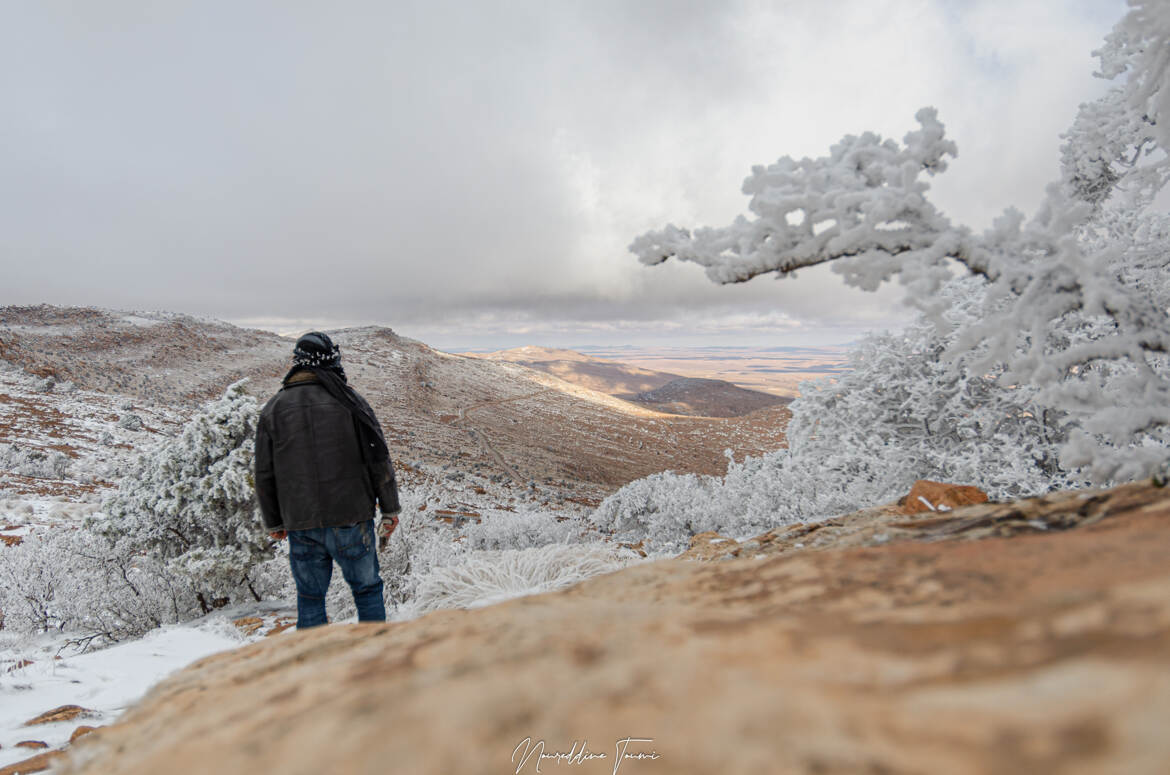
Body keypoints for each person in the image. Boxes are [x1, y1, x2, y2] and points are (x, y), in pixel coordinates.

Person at [254, 331, 401, 628]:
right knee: (367, 589)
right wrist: (390, 509)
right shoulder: (350, 402)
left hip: (301, 522)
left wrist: (274, 522)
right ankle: (380, 660)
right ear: (330, 360)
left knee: (310, 597)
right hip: (351, 516)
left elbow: (264, 473)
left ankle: (313, 666)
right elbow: (377, 457)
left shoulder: (274, 408)